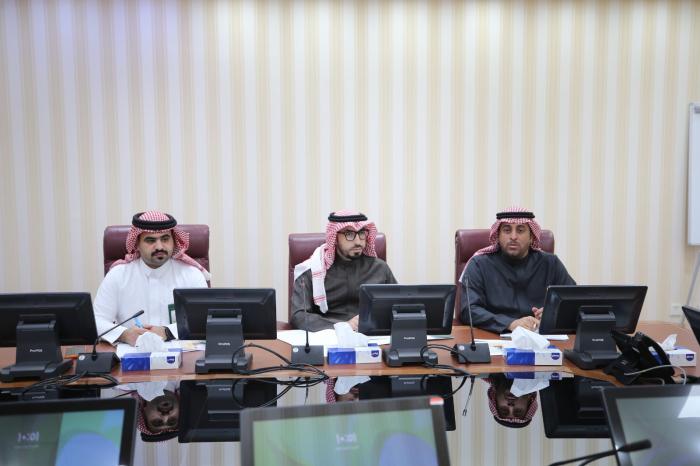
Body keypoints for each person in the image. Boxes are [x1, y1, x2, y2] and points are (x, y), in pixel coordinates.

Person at [93, 211, 210, 346]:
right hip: (131, 354)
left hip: (182, 355)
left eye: (165, 239)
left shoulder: (191, 275)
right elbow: (96, 321)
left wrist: (167, 332)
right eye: (150, 240)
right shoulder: (117, 275)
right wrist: (124, 335)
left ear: (173, 240)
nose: (159, 246)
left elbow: (204, 320)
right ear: (137, 244)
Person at [460, 206, 575, 334]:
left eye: (520, 230)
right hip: (494, 336)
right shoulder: (479, 264)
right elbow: (468, 310)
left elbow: (574, 302)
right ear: (498, 236)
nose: (513, 236)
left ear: (531, 237)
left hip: (542, 338)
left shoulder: (550, 263)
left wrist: (553, 313)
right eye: (507, 230)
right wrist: (510, 323)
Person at [291, 210, 397, 331]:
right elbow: (299, 316)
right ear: (335, 237)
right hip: (328, 334)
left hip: (370, 335)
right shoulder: (312, 271)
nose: (358, 241)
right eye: (349, 234)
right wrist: (342, 326)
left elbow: (398, 306)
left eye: (361, 233)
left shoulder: (380, 268)